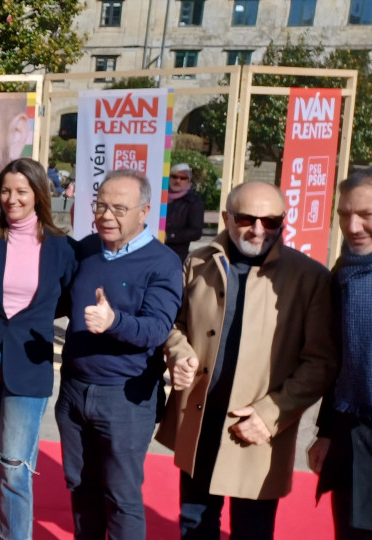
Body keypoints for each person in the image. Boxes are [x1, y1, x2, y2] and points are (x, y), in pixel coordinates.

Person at [158, 181, 336, 540]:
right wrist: (178, 351)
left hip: (257, 430)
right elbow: (172, 325)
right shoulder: (198, 261)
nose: (258, 230)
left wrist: (271, 415)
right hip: (199, 418)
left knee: (252, 530)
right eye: (246, 219)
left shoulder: (310, 277)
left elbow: (321, 362)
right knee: (194, 523)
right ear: (226, 217)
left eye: (270, 221)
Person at [55, 169, 182, 540]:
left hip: (125, 397)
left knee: (122, 497)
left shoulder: (163, 263)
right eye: (101, 206)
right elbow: (55, 298)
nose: (106, 216)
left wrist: (114, 321)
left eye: (119, 208)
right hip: (74, 390)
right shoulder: (87, 250)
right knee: (81, 488)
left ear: (144, 212)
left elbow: (157, 328)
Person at [0, 158, 77, 540]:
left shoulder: (62, 248)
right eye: (6, 191)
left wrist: (36, 318)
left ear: (39, 194)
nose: (12, 199)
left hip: (29, 359)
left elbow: (68, 298)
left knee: (14, 463)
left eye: (21, 191)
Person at [309, 168, 372, 540]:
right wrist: (325, 433)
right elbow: (338, 362)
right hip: (352, 436)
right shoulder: (341, 275)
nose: (353, 227)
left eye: (367, 215)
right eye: (344, 214)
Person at [165, 163, 205, 261]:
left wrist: (169, 235)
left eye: (183, 178)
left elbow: (196, 232)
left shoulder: (193, 202)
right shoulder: (158, 197)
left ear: (188, 181)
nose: (177, 180)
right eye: (174, 177)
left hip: (176, 255)